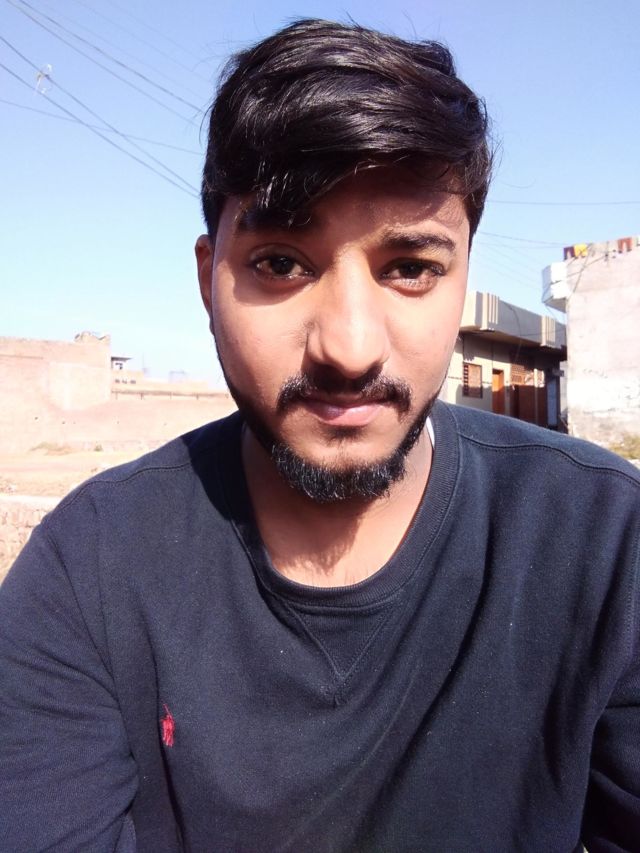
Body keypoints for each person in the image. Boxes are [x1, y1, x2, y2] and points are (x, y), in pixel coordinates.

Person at [1, 18, 639, 853]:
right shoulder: (86, 573)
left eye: (410, 268)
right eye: (281, 263)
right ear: (208, 279)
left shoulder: (607, 547)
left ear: (463, 282)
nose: (349, 347)